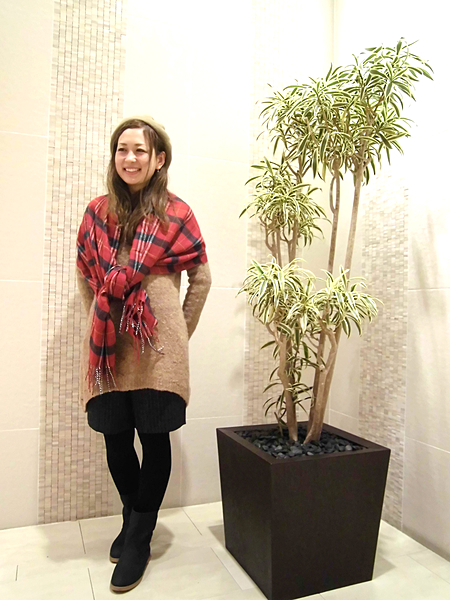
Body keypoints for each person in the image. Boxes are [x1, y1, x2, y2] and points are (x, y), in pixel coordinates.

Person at [76, 115, 211, 593]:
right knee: (115, 437)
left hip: (158, 349)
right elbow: (85, 273)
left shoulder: (177, 213)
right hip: (109, 346)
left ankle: (138, 537)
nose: (129, 158)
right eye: (122, 149)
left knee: (154, 439)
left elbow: (202, 279)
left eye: (140, 150)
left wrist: (178, 334)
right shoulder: (97, 213)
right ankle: (133, 517)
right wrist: (100, 320)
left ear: (159, 159)